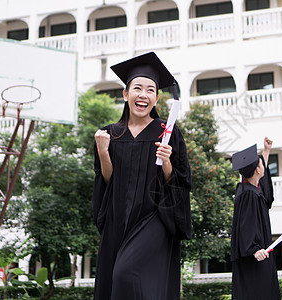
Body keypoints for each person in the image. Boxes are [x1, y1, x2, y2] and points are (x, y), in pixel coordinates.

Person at [92, 52, 191, 299]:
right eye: (137, 88)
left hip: (154, 218)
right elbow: (105, 182)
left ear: (157, 98)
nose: (143, 95)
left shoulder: (167, 132)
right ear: (126, 94)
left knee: (125, 274)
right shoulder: (108, 134)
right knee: (127, 283)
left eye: (150, 90)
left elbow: (180, 182)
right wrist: (104, 152)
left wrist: (166, 161)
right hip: (119, 218)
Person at [230, 138, 281, 300]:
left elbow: (266, 196)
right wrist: (253, 249)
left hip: (259, 256)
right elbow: (246, 225)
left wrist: (266, 152)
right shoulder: (248, 195)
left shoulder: (251, 191)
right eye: (261, 164)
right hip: (254, 259)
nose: (263, 167)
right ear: (258, 170)